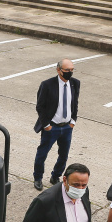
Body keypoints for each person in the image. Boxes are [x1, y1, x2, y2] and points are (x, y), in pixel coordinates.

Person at [32, 59, 79, 190]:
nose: (70, 73)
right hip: (51, 127)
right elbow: (40, 106)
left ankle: (55, 176)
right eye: (67, 70)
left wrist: (73, 121)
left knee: (63, 155)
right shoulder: (47, 85)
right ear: (58, 70)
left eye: (72, 70)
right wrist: (46, 124)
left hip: (67, 127)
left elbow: (74, 103)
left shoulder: (75, 83)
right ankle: (38, 178)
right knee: (42, 153)